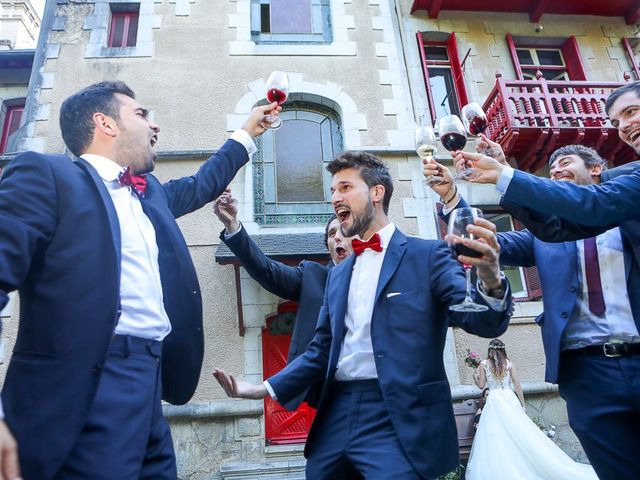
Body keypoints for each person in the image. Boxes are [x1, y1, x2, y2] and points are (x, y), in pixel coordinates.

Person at [0, 81, 276, 480]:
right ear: (104, 124)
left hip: (152, 388)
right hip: (85, 389)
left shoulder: (152, 196)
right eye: (142, 114)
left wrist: (249, 131)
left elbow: (204, 182)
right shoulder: (47, 175)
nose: (155, 125)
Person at [213, 151, 513, 479]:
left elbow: (483, 322)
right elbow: (319, 351)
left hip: (397, 415)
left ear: (376, 193)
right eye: (331, 192)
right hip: (336, 413)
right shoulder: (337, 276)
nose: (334, 198)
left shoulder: (428, 255)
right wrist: (260, 389)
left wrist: (491, 279)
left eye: (344, 188)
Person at [426, 144, 640, 480]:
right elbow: (485, 242)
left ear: (597, 168)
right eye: (551, 170)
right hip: (587, 373)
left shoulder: (631, 216)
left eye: (565, 163)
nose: (555, 172)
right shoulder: (543, 238)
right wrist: (453, 197)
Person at [213, 192, 353, 408]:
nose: (337, 237)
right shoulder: (313, 277)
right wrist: (233, 226)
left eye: (344, 231)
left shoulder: (379, 276)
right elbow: (266, 270)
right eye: (331, 233)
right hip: (330, 396)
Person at [452, 81, 640, 228]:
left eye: (631, 112)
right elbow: (554, 226)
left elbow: (594, 203)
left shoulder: (627, 176)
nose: (622, 126)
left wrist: (503, 174)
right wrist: (502, 171)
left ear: (596, 168)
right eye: (616, 123)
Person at [466, 339, 597, 480]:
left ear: (489, 350)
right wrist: (522, 404)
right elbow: (517, 385)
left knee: (495, 434)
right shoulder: (509, 364)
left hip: (494, 401)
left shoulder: (484, 364)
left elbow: (481, 385)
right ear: (503, 350)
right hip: (509, 399)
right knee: (519, 432)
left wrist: (475, 376)